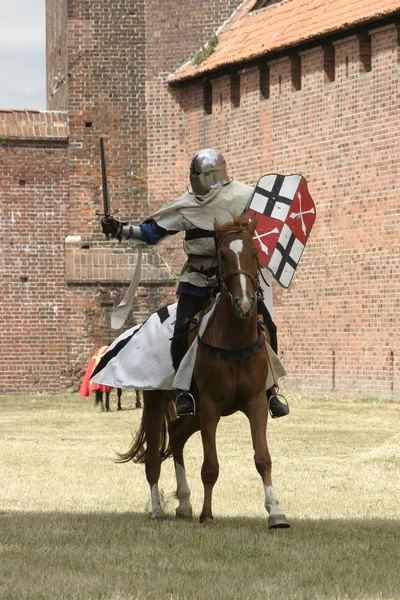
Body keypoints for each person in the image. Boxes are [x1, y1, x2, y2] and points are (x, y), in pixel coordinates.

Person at [101, 148, 289, 419]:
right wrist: (120, 229)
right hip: (198, 279)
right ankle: (186, 392)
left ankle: (271, 391)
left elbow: (263, 232)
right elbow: (153, 232)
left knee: (267, 325)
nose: (193, 179)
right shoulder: (187, 204)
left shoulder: (245, 197)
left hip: (235, 276)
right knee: (180, 332)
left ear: (211, 175)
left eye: (197, 174)